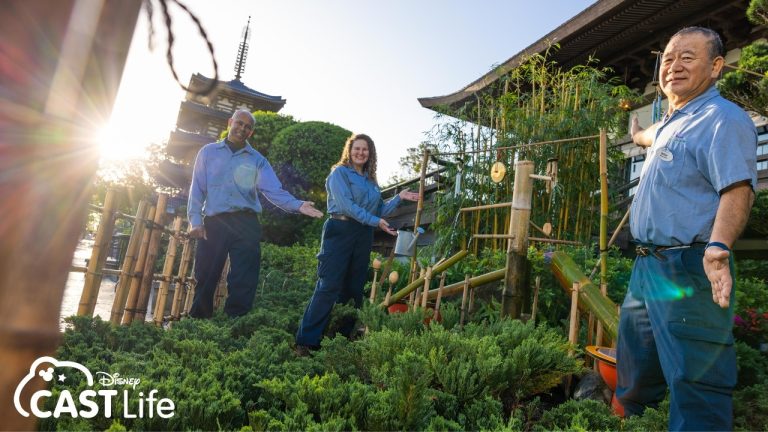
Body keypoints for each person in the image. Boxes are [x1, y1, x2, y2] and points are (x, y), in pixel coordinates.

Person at [616, 27, 757, 431]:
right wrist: (635, 134)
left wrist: (718, 246)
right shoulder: (670, 124)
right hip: (646, 269)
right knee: (636, 376)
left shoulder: (722, 119)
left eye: (687, 58)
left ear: (715, 67)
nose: (673, 66)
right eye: (668, 59)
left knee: (697, 385)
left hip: (690, 267)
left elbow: (738, 189)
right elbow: (647, 136)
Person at [187, 109, 323, 318]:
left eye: (248, 127)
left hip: (246, 223)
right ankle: (197, 327)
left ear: (251, 133)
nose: (242, 128)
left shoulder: (258, 160)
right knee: (205, 276)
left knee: (244, 279)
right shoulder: (208, 152)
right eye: (239, 123)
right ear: (230, 122)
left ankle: (235, 326)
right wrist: (195, 220)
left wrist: (298, 205)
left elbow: (273, 191)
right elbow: (197, 188)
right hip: (215, 222)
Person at [295, 133, 419, 353]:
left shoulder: (371, 182)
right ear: (349, 151)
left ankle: (340, 340)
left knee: (353, 290)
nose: (361, 153)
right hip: (340, 230)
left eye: (365, 149)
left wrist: (399, 197)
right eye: (357, 148)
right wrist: (375, 221)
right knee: (329, 286)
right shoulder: (339, 174)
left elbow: (379, 211)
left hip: (362, 236)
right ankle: (306, 342)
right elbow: (347, 206)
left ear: (370, 154)